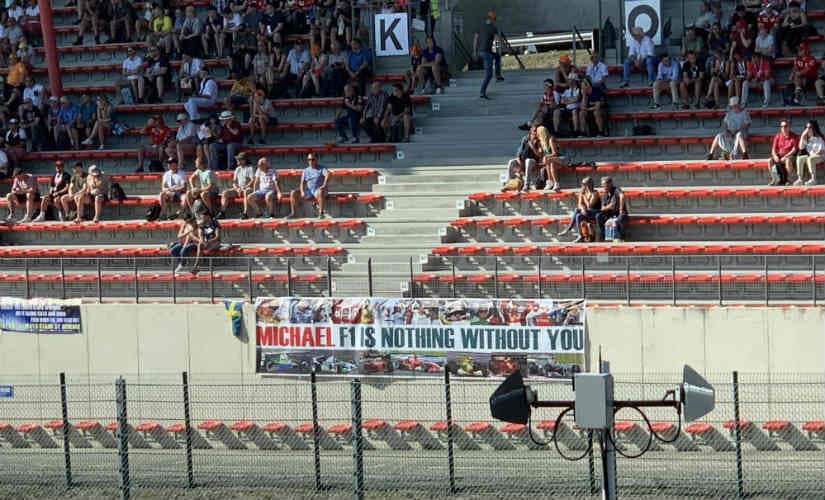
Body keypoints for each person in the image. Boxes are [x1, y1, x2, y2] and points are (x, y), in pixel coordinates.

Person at [558, 176, 602, 243]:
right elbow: (579, 204)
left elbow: (589, 205)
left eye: (584, 184)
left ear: (590, 184)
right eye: (583, 184)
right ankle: (581, 236)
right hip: (586, 212)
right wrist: (583, 208)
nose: (583, 186)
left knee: (577, 210)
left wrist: (584, 196)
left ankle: (568, 229)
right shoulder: (583, 192)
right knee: (578, 215)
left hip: (595, 212)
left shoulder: (595, 193)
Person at [288, 153, 329, 218]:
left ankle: (321, 213)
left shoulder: (322, 168)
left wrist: (324, 185)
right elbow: (302, 182)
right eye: (309, 160)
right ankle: (293, 213)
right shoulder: (305, 170)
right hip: (309, 191)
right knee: (293, 192)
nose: (311, 161)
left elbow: (328, 174)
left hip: (318, 190)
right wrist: (302, 191)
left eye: (312, 159)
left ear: (316, 159)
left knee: (320, 191)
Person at [217, 152, 255, 219]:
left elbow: (252, 180)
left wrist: (244, 188)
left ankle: (245, 213)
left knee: (246, 191)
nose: (237, 161)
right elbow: (234, 182)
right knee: (225, 193)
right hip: (239, 189)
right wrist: (237, 188)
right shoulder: (238, 169)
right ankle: (222, 212)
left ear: (244, 160)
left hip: (248, 188)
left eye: (239, 159)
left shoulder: (250, 168)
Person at [475, 11, 503, 99]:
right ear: (492, 19)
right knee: (489, 74)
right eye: (494, 20)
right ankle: (482, 92)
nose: (495, 21)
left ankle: (498, 76)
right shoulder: (492, 28)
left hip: (480, 52)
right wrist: (500, 48)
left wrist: (474, 51)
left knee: (497, 56)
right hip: (486, 53)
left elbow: (475, 39)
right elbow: (497, 40)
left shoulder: (480, 26)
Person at [507, 125, 542, 191]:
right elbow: (519, 153)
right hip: (523, 160)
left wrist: (532, 147)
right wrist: (520, 163)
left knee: (528, 161)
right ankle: (509, 183)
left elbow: (539, 155)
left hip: (533, 161)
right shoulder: (525, 139)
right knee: (511, 162)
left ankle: (527, 184)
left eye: (536, 131)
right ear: (531, 131)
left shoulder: (539, 141)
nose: (535, 133)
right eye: (534, 131)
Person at [596, 176, 628, 242]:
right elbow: (603, 208)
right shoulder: (605, 194)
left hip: (619, 212)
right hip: (610, 213)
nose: (604, 187)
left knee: (619, 219)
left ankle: (621, 236)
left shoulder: (616, 189)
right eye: (603, 185)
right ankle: (604, 234)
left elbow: (622, 196)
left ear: (610, 184)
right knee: (598, 216)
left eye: (605, 184)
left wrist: (621, 209)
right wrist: (609, 206)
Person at [538, 125, 568, 192]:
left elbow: (555, 153)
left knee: (550, 160)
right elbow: (542, 155)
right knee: (551, 163)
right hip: (553, 161)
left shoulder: (551, 139)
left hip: (562, 158)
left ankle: (555, 183)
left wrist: (546, 157)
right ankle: (551, 183)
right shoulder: (542, 142)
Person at [769, 120, 799, 186]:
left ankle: (788, 179)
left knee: (787, 160)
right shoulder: (778, 136)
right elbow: (773, 149)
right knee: (770, 161)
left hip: (790, 155)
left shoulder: (794, 136)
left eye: (785, 126)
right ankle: (774, 179)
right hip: (780, 155)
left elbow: (794, 150)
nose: (783, 128)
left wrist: (785, 156)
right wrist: (775, 156)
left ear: (789, 127)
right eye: (782, 126)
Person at [795, 120, 824, 185]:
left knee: (810, 158)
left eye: (810, 127)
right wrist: (802, 136)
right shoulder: (806, 138)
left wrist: (814, 154)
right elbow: (800, 147)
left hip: (821, 156)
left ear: (814, 128)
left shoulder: (819, 137)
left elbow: (822, 150)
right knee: (800, 158)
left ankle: (813, 179)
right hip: (811, 155)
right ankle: (800, 179)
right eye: (806, 127)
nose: (808, 129)